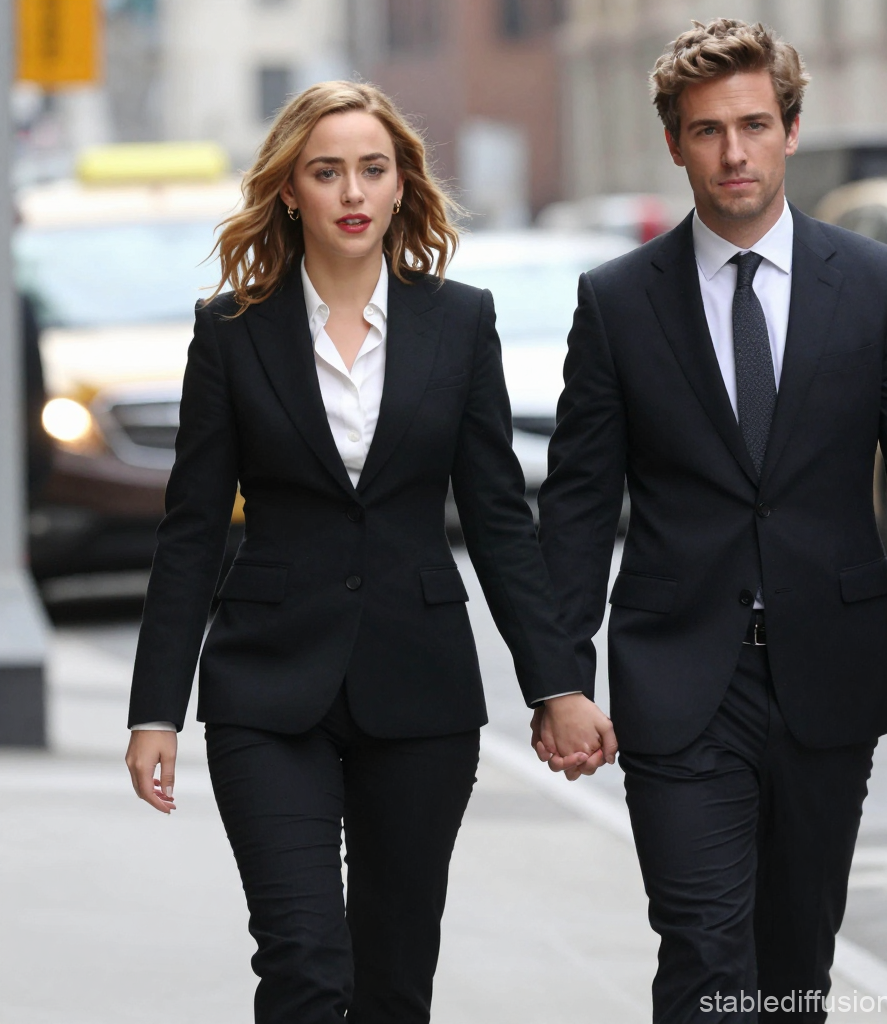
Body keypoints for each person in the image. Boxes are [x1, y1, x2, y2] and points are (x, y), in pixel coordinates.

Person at [124, 81, 614, 1024]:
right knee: (305, 965)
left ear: (401, 188)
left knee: (393, 980)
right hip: (267, 692)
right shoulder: (230, 333)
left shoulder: (460, 321)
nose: (352, 190)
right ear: (289, 191)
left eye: (372, 169)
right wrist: (156, 709)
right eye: (326, 170)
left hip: (420, 691)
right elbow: (189, 530)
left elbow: (500, 518)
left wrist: (556, 682)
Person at [534, 18, 887, 1023]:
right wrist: (560, 679)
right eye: (705, 131)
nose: (732, 152)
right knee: (703, 955)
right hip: (678, 678)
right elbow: (574, 505)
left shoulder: (871, 285)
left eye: (750, 125)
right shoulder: (617, 302)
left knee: (791, 974)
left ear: (787, 128)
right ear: (674, 142)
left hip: (829, 673)